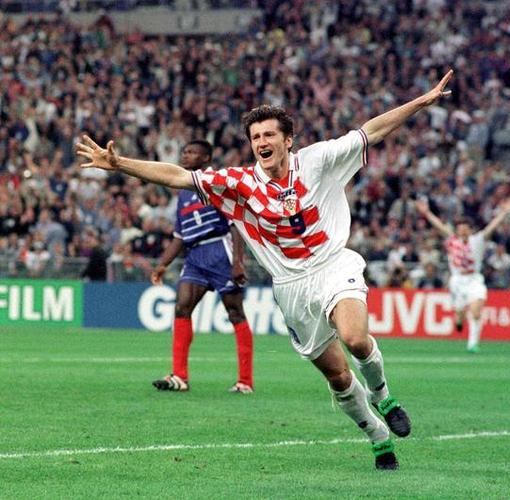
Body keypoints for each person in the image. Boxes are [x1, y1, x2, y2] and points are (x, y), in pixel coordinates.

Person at [76, 69, 454, 471]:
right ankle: (377, 436)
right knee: (339, 377)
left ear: (288, 140)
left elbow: (371, 131)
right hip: (291, 287)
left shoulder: (318, 160)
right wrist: (120, 164)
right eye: (255, 137)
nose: (262, 142)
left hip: (332, 264)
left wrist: (420, 102)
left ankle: (383, 396)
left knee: (355, 338)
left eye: (269, 134)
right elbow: (178, 176)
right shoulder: (239, 183)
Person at [150, 140, 254, 394]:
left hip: (220, 250)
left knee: (235, 312)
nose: (185, 156)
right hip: (195, 255)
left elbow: (236, 224)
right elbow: (179, 236)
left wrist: (238, 262)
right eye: (184, 152)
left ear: (206, 158)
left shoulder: (216, 183)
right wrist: (162, 265)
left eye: (192, 152)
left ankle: (245, 381)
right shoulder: (183, 193)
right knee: (181, 307)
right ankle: (180, 376)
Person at [415, 197, 510, 353]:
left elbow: (492, 227)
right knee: (460, 313)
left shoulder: (478, 240)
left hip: (474, 279)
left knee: (476, 311)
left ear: (470, 230)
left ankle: (473, 344)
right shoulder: (452, 240)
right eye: (460, 228)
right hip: (457, 280)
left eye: (465, 228)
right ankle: (459, 320)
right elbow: (439, 226)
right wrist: (427, 213)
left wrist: (504, 213)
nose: (462, 231)